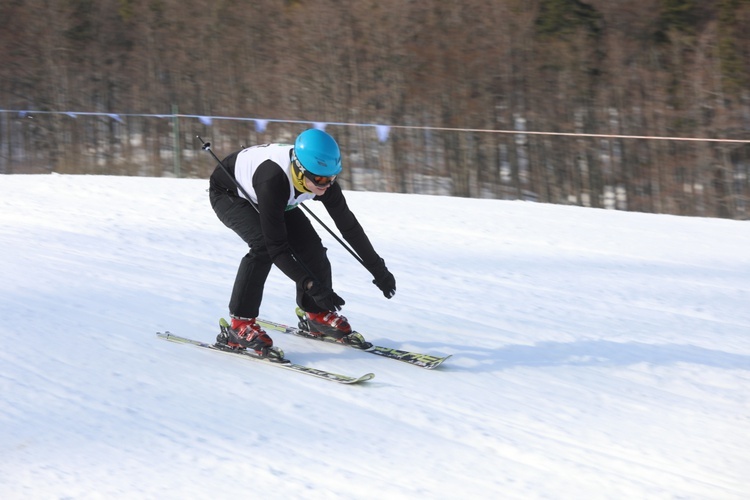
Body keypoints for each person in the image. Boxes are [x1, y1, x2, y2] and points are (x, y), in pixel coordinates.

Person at [208, 128, 396, 355]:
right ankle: (240, 324)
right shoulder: (273, 180)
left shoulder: (321, 178)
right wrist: (312, 286)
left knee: (312, 248)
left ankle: (316, 314)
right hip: (229, 193)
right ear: (299, 170)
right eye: (319, 179)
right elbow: (277, 249)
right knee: (262, 247)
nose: (326, 185)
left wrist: (378, 268)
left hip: (275, 198)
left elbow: (349, 227)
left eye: (332, 178)